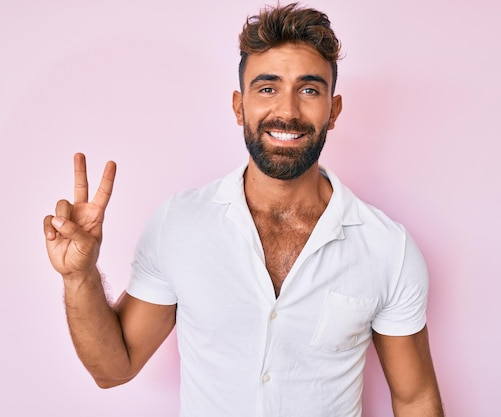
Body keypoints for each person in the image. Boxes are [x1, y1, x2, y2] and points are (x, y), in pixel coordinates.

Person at [43, 3, 444, 416]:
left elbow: (415, 398)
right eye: (267, 88)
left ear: (333, 110)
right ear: (239, 107)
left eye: (309, 90)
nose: (287, 111)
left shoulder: (386, 248)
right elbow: (114, 369)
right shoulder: (181, 224)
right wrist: (79, 276)